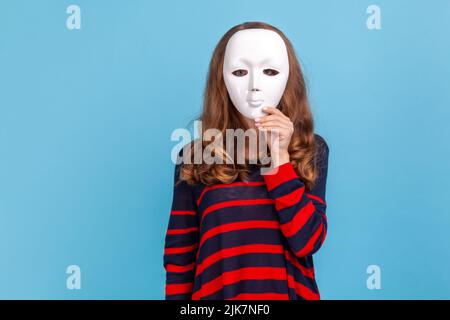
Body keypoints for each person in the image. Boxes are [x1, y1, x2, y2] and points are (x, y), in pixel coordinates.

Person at [163, 21, 329, 300]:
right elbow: (180, 255)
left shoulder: (310, 149)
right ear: (222, 79)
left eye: (269, 71)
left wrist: (278, 158)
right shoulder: (194, 157)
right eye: (240, 71)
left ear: (288, 78)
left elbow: (307, 242)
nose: (254, 86)